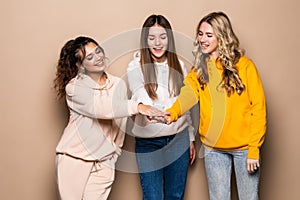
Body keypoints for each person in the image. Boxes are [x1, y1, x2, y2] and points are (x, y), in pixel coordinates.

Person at [165, 12, 267, 200]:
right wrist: (172, 112)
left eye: (208, 35)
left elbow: (258, 108)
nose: (202, 39)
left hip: (244, 149)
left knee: (248, 198)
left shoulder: (245, 67)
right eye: (200, 34)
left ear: (222, 37)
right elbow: (188, 93)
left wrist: (254, 148)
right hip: (213, 149)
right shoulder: (200, 69)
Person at [53, 36, 163, 200]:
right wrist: (138, 106)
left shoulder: (118, 84)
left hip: (104, 161)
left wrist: (114, 152)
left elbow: (120, 121)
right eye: (90, 57)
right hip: (75, 159)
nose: (98, 58)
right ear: (80, 65)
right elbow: (102, 108)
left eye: (98, 51)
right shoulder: (74, 87)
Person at [126, 15, 196, 200]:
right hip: (149, 143)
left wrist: (190, 137)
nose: (157, 43)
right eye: (152, 38)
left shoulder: (179, 66)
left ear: (169, 39)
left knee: (175, 195)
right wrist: (150, 111)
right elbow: (138, 92)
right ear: (145, 40)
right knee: (153, 196)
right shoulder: (136, 65)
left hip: (178, 140)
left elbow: (184, 103)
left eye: (163, 37)